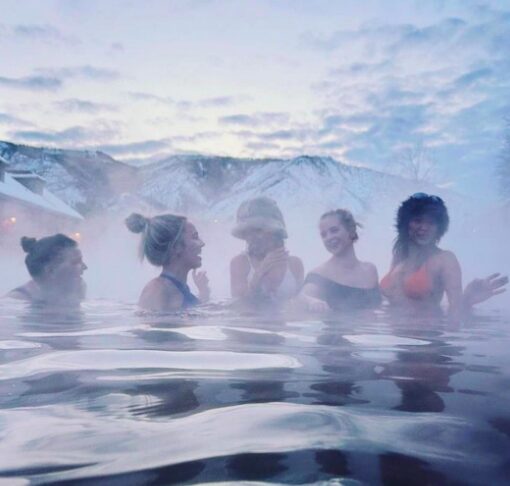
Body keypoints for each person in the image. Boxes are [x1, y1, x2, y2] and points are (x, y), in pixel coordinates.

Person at [380, 193, 507, 319]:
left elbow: (455, 312)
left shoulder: (445, 259)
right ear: (405, 223)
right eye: (417, 220)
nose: (424, 227)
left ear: (439, 228)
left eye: (431, 223)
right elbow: (394, 300)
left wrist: (467, 300)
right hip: (393, 335)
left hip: (424, 335)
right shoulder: (400, 253)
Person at [126, 212, 210, 312]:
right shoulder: (157, 290)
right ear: (176, 247)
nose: (202, 244)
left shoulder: (177, 288)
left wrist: (203, 291)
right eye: (195, 237)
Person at [300, 209, 380, 311]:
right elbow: (301, 296)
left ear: (351, 230)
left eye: (334, 230)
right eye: (324, 235)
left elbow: (379, 305)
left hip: (371, 327)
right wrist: (311, 301)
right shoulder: (320, 274)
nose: (329, 237)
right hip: (338, 327)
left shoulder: (370, 270)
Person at [230, 196, 304, 305]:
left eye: (258, 230)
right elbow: (238, 305)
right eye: (247, 232)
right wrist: (260, 272)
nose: (252, 237)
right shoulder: (240, 263)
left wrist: (310, 302)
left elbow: (301, 299)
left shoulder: (294, 264)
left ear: (275, 232)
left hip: (285, 321)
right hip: (251, 321)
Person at [7, 234, 87, 306]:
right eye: (76, 262)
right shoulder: (15, 300)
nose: (84, 267)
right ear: (50, 270)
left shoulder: (76, 291)